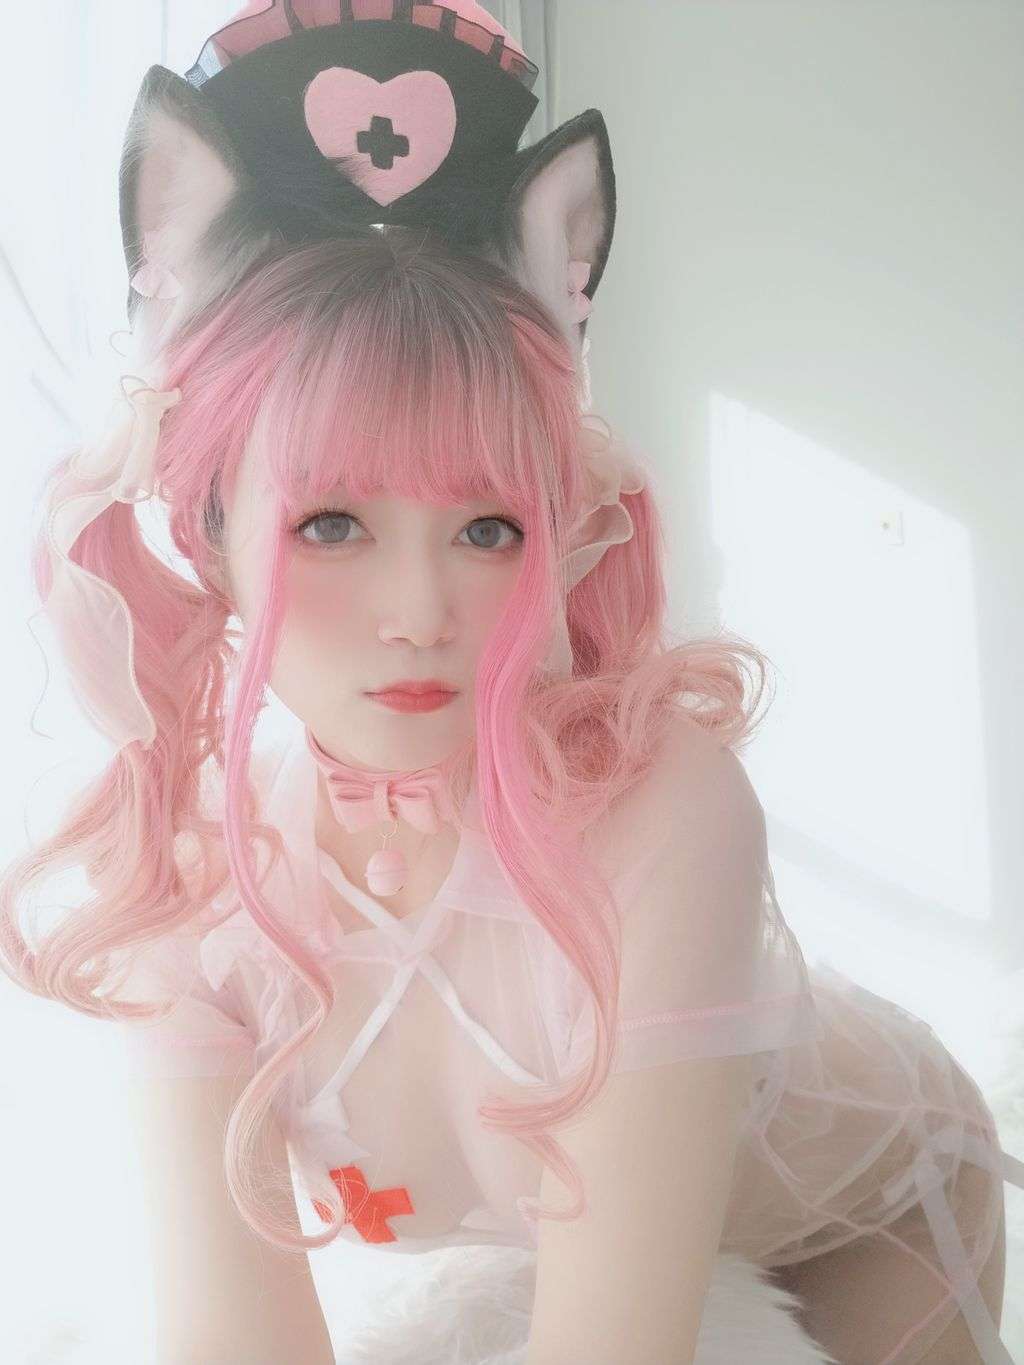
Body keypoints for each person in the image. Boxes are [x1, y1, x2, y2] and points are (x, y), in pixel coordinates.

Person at [1, 4, 1020, 1363]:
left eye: (489, 529)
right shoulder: (190, 869)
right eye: (332, 524)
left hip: (867, 1211)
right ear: (207, 534)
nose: (422, 615)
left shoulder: (663, 810)